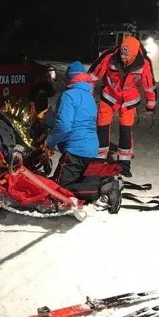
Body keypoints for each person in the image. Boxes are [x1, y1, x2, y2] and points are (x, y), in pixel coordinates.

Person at [43, 61, 122, 213]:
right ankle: (105, 182)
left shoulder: (69, 95)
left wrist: (50, 142)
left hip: (75, 152)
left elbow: (64, 126)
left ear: (70, 78)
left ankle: (105, 188)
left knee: (59, 189)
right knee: (80, 182)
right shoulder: (89, 96)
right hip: (91, 149)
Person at [88, 36, 156, 177]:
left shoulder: (144, 63)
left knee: (125, 130)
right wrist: (86, 92)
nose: (123, 57)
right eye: (122, 53)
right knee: (102, 126)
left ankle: (124, 163)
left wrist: (151, 103)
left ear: (134, 54)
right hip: (109, 96)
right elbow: (93, 75)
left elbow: (149, 84)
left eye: (127, 55)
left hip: (129, 100)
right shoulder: (110, 56)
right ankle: (99, 160)